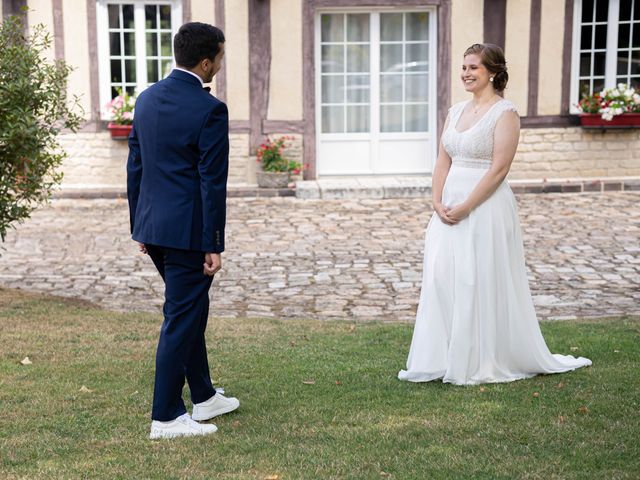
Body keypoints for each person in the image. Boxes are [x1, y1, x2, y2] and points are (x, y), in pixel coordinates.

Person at [398, 43, 592, 385]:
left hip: (485, 207)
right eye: (463, 67)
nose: (466, 73)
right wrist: (437, 201)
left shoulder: (506, 113)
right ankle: (442, 356)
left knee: (478, 277)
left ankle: (480, 358)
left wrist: (467, 206)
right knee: (443, 276)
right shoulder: (455, 111)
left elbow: (500, 169)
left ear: (492, 72)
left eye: (473, 67)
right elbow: (443, 160)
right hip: (447, 207)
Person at [127, 22, 240, 439]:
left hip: (153, 227)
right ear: (207, 61)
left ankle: (206, 396)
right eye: (220, 59)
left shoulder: (146, 98)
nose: (220, 67)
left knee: (190, 309)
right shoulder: (210, 109)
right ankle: (167, 416)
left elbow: (135, 164)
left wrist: (139, 223)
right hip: (189, 233)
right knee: (181, 315)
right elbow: (213, 181)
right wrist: (213, 243)